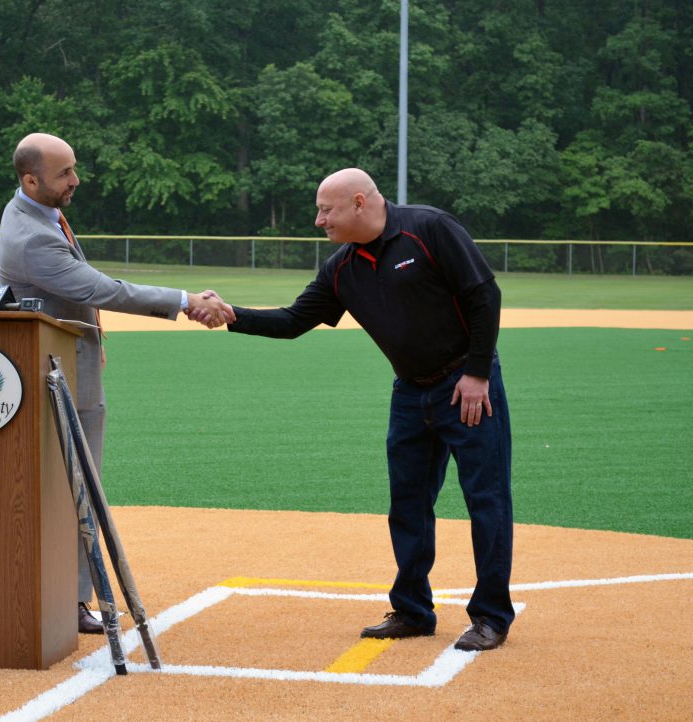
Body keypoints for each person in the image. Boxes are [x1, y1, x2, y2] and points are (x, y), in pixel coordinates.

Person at [202, 168, 513, 652]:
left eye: (326, 210)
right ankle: (412, 610)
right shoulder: (342, 267)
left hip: (467, 386)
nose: (319, 220)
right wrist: (232, 315)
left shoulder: (429, 228)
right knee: (408, 504)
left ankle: (491, 616)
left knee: (486, 500)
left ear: (360, 203)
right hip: (410, 393)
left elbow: (484, 294)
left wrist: (476, 373)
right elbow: (294, 320)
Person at [0, 132, 234, 634]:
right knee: (76, 488)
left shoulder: (35, 213)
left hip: (68, 365)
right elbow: (99, 288)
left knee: (75, 487)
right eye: (64, 173)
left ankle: (68, 598)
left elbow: (77, 291)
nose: (76, 180)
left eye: (73, 168)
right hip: (56, 379)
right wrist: (187, 300)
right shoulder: (31, 234)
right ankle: (68, 601)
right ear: (31, 180)